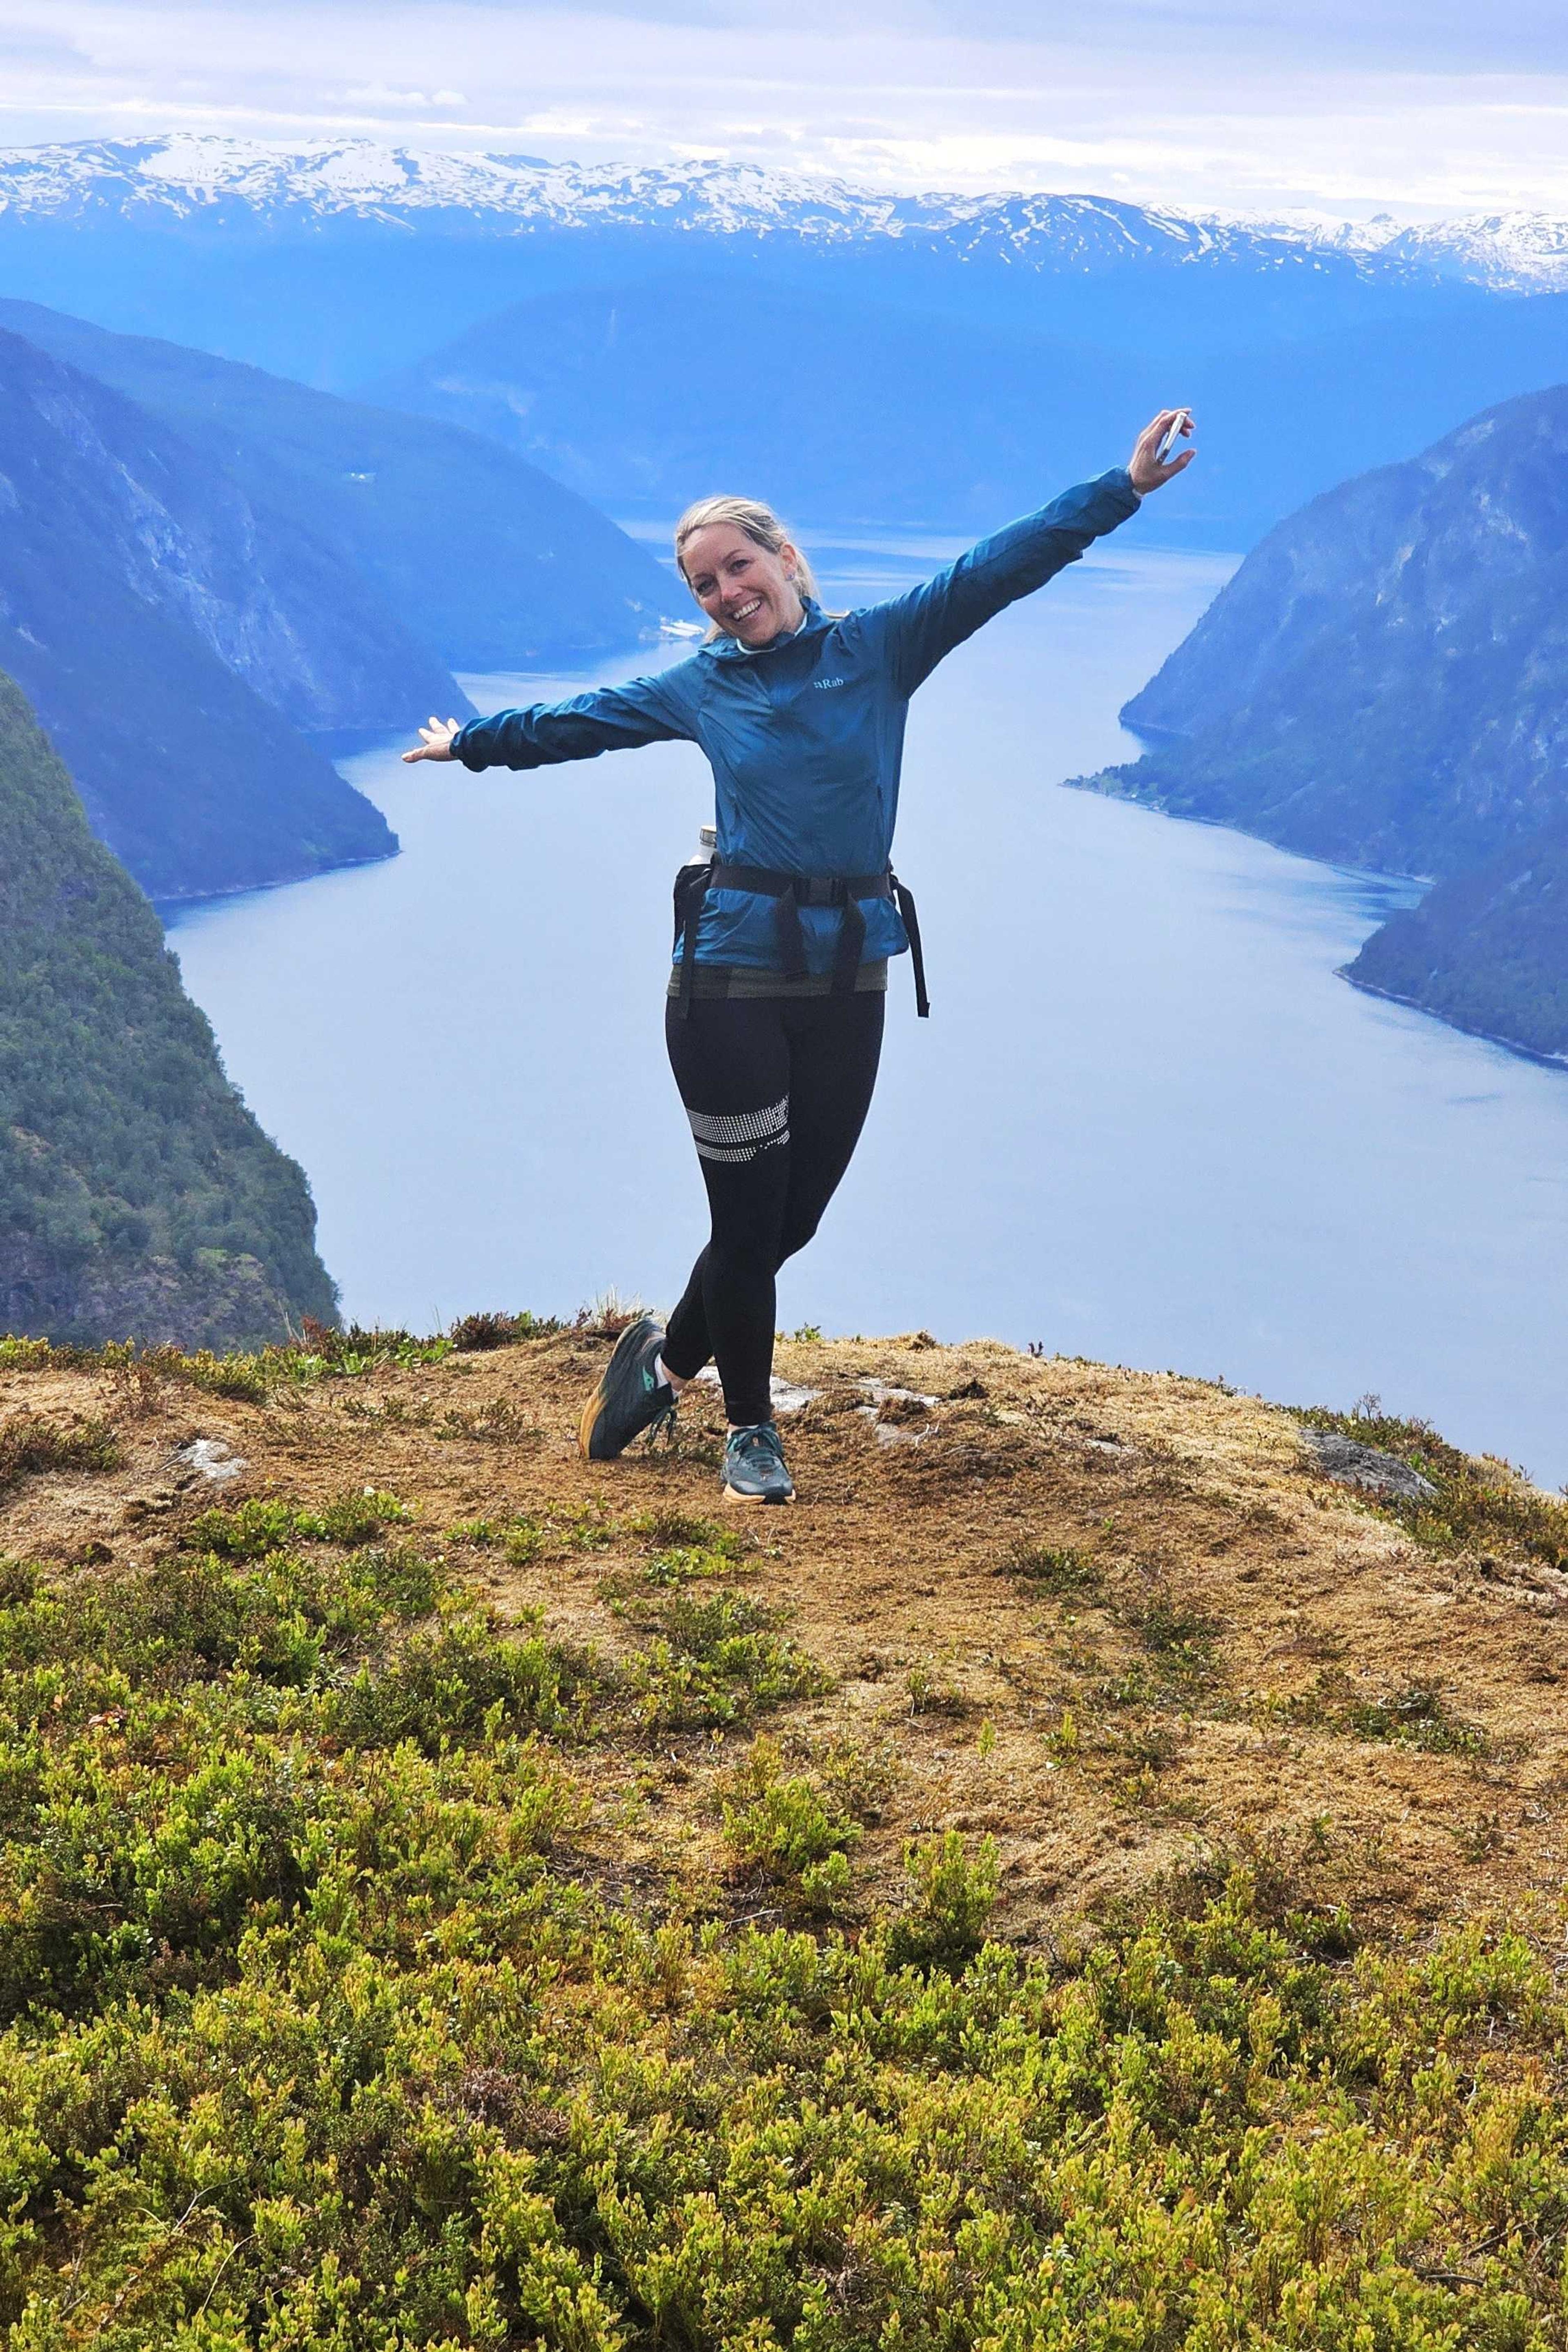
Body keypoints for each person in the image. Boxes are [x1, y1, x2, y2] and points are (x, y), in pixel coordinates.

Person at [404, 410, 1196, 1505]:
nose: (727, 595)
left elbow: (997, 568)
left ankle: (663, 1360)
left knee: (794, 1220)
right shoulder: (702, 686)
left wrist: (1125, 487)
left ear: (786, 560)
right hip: (726, 980)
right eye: (704, 588)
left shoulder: (881, 647)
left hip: (848, 977)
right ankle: (749, 1433)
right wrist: (472, 746)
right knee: (744, 1221)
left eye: (738, 568)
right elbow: (578, 721)